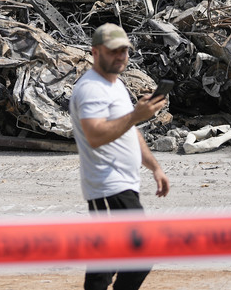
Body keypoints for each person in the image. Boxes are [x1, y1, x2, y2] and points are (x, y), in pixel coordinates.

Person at [69, 23, 170, 290]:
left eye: (124, 50)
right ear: (95, 52)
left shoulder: (115, 85)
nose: (121, 56)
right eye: (114, 51)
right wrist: (136, 115)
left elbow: (129, 131)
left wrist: (154, 167)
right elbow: (95, 135)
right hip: (106, 185)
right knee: (136, 252)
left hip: (123, 183)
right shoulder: (91, 88)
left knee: (108, 258)